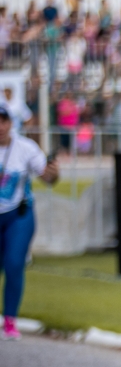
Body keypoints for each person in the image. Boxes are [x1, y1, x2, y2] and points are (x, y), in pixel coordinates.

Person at [0, 104, 59, 339]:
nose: (0, 127)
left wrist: (53, 172)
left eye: (4, 121)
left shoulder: (25, 148)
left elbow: (47, 176)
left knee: (14, 263)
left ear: (10, 123)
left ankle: (10, 320)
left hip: (18, 214)